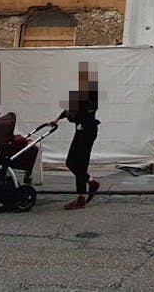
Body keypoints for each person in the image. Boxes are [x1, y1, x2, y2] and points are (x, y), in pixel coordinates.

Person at [44, 64, 103, 208]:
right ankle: (91, 182)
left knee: (80, 162)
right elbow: (69, 109)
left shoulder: (92, 94)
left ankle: (81, 197)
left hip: (88, 130)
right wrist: (57, 119)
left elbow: (86, 110)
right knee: (71, 162)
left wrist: (75, 114)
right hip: (80, 130)